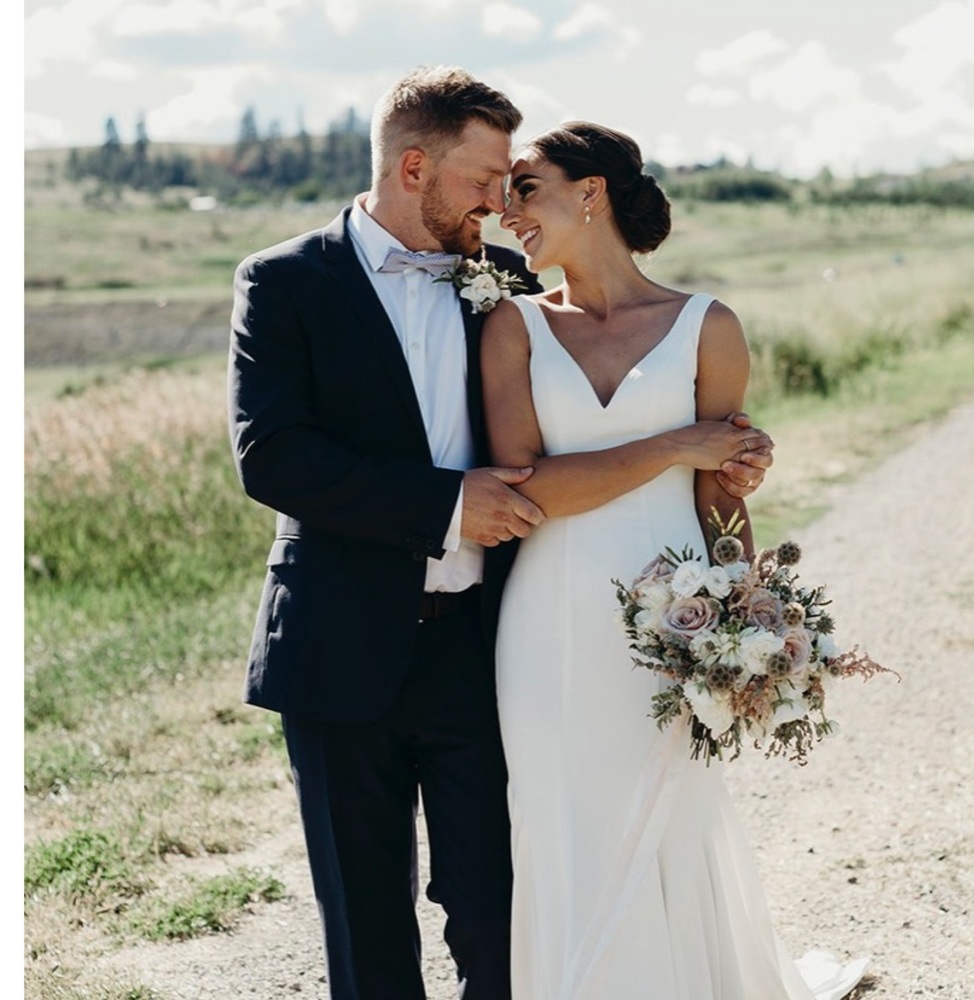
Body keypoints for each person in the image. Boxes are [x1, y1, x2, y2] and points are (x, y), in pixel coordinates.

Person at [228, 67, 771, 1000]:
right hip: (338, 638)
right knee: (365, 921)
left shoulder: (508, 286)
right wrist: (448, 506)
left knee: (496, 911)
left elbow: (592, 422)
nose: (498, 203)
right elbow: (273, 459)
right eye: (484, 180)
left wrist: (725, 488)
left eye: (512, 182)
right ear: (413, 168)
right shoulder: (284, 281)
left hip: (482, 641)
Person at [482, 122, 869, 999]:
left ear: (591, 192)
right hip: (549, 618)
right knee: (557, 812)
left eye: (526, 189)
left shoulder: (706, 326)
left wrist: (749, 624)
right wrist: (673, 444)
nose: (508, 214)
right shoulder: (514, 327)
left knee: (670, 810)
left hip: (675, 619)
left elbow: (720, 496)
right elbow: (529, 490)